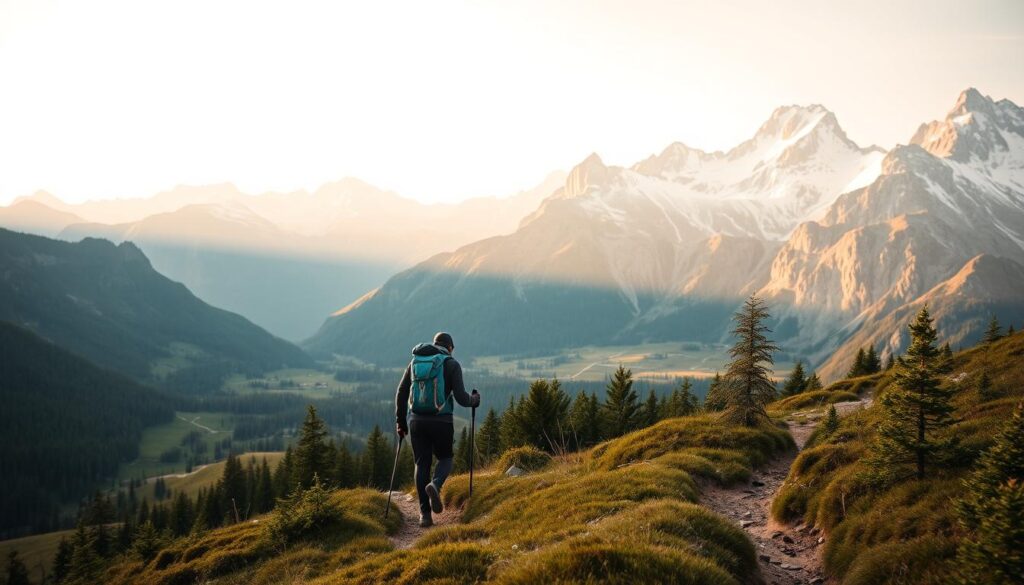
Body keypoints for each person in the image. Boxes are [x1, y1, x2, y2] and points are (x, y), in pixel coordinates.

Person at [395, 331, 480, 527]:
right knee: (445, 458)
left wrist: (400, 422)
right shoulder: (451, 364)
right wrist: (474, 400)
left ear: (435, 344)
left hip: (416, 420)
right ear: (450, 347)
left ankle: (425, 515)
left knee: (421, 463)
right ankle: (436, 484)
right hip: (441, 420)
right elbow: (460, 397)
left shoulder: (415, 362)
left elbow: (401, 391)